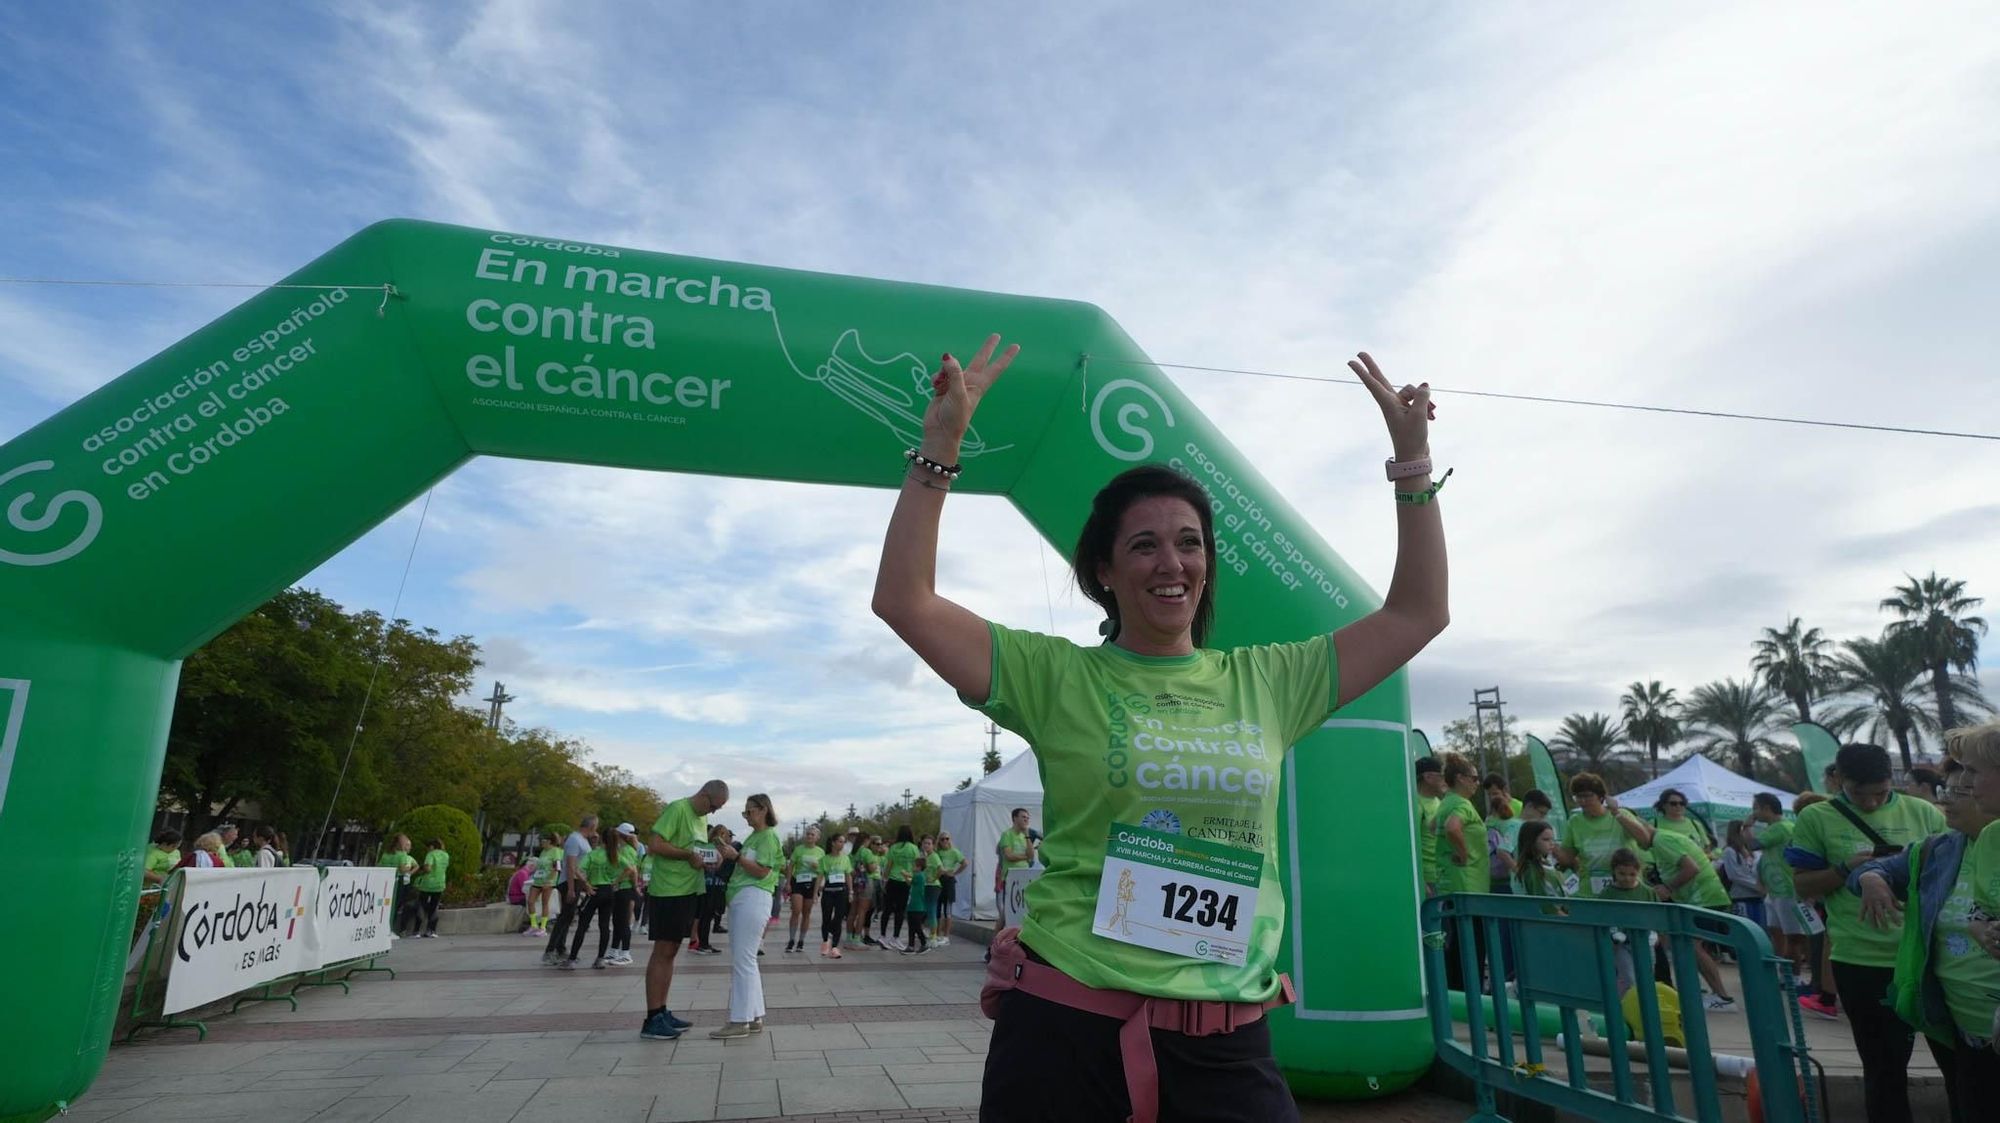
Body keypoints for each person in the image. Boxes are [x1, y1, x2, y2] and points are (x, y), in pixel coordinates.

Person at [871, 340, 1447, 1120]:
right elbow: (906, 601)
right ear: (1104, 569)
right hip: (1066, 1033)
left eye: (1189, 542)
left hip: (1226, 1044)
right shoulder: (1059, 677)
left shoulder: (1269, 680)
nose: (1170, 562)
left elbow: (1417, 613)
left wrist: (1411, 467)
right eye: (1143, 544)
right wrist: (939, 451)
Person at [1787, 742, 1948, 1123]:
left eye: (1881, 793)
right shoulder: (1816, 818)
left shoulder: (1924, 813)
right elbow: (1803, 886)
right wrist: (1847, 869)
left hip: (1930, 959)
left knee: (1959, 1067)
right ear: (1840, 780)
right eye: (1861, 794)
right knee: (1883, 1070)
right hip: (1862, 961)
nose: (1873, 803)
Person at [1851, 743, 2000, 1123]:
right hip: (1958, 1025)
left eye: (1962, 790)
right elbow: (1879, 870)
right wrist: (1871, 877)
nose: (1945, 801)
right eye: (1944, 790)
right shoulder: (1938, 849)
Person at [641, 780, 729, 1042]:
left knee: (671, 951)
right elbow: (655, 845)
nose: (713, 812)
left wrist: (710, 860)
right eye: (713, 806)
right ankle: (652, 1017)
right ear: (704, 795)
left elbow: (695, 851)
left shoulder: (700, 819)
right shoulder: (678, 809)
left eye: (718, 809)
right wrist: (688, 856)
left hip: (688, 890)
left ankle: (662, 1010)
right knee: (663, 951)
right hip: (669, 891)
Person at [1645, 817, 1738, 1011]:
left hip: (1704, 898)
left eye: (1679, 804)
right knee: (1683, 944)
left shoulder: (1661, 840)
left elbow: (1692, 868)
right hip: (1700, 899)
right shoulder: (1662, 839)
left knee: (1692, 945)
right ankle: (1701, 991)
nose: (1676, 808)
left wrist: (1667, 887)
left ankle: (1723, 997)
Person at [709, 793, 781, 1039]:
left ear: (763, 810)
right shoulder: (755, 837)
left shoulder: (768, 837)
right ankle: (754, 1016)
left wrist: (736, 857)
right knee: (747, 961)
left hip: (754, 896)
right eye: (745, 812)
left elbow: (762, 872)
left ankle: (739, 1020)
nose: (747, 816)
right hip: (744, 897)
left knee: (743, 961)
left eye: (749, 811)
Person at [1433, 753, 1488, 989]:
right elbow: (1451, 828)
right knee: (1472, 948)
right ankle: (1472, 999)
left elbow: (1432, 825)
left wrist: (1449, 851)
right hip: (1468, 885)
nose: (1478, 783)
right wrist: (1464, 854)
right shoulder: (1462, 804)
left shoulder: (1446, 801)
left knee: (1456, 946)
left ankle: (1456, 996)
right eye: (1474, 778)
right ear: (1461, 779)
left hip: (1451, 881)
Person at [1558, 773, 1655, 897]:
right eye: (1578, 797)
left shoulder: (1621, 814)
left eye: (1587, 796)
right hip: (1590, 892)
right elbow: (1567, 858)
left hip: (1626, 890)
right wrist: (1552, 848)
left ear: (1601, 797)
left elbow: (1645, 840)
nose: (1582, 801)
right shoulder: (1574, 821)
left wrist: (1617, 813)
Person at [1746, 793, 1809, 986]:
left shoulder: (1781, 827)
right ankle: (1783, 975)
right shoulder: (1776, 828)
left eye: (1756, 808)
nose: (1754, 813)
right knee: (1777, 934)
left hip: (1787, 890)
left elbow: (1752, 844)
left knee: (1793, 938)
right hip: (1775, 891)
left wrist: (1747, 826)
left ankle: (1794, 978)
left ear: (1766, 808)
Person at [1598, 849, 1657, 995]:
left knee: (1647, 977)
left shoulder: (1648, 892)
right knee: (1629, 979)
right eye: (1622, 874)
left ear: (1638, 872)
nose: (1627, 878)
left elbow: (1656, 914)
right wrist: (1610, 937)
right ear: (1614, 871)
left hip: (1644, 940)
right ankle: (1625, 1010)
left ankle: (1641, 1011)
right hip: (1621, 944)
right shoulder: (1607, 894)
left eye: (1632, 874)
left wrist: (1657, 934)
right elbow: (1602, 918)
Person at [542, 817, 600, 966]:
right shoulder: (575, 840)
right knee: (564, 918)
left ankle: (560, 948)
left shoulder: (582, 840)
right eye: (596, 826)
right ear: (591, 826)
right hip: (570, 882)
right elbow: (570, 866)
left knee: (568, 918)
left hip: (576, 881)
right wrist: (571, 889)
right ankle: (550, 950)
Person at [563, 830, 619, 970]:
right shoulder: (615, 856)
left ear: (601, 840)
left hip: (594, 890)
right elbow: (630, 869)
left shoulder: (593, 854)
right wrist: (616, 881)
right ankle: (600, 959)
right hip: (609, 892)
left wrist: (586, 884)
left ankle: (572, 959)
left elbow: (576, 869)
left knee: (582, 925)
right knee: (604, 925)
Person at [784, 826, 826, 954]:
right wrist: (788, 882)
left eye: (812, 835)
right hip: (798, 882)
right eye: (807, 834)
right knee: (796, 910)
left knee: (806, 913)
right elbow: (791, 866)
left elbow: (821, 872)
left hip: (812, 883)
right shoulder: (798, 849)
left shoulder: (820, 852)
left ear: (817, 837)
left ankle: (801, 941)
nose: (809, 836)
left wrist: (817, 889)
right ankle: (791, 940)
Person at [878, 826, 920, 950]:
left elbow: (889, 865)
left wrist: (885, 880)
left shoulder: (893, 847)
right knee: (900, 910)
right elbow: (916, 865)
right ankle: (895, 937)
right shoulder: (914, 848)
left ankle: (882, 936)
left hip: (892, 880)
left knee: (887, 909)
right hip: (905, 881)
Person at [994, 808, 1035, 932]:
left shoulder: (1025, 836)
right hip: (1011, 878)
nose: (1026, 820)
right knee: (1007, 911)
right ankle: (994, 942)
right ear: (1015, 818)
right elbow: (1009, 856)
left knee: (1023, 909)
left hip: (1025, 877)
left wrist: (1027, 835)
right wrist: (1025, 857)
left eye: (1027, 818)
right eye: (1023, 817)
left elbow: (1032, 856)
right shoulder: (1007, 834)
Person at [1722, 819, 1765, 929]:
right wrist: (1757, 886)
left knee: (1761, 929)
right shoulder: (1729, 851)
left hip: (1758, 897)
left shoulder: (1753, 851)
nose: (1750, 833)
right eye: (1746, 830)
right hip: (1742, 897)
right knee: (1746, 930)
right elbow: (1734, 875)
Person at [1414, 757, 1447, 896]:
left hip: (1442, 877)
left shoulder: (1438, 802)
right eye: (1442, 776)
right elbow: (1410, 845)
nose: (1444, 780)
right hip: (1428, 881)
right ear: (1427, 777)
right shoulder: (1416, 804)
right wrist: (1421, 881)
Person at [526, 825, 566, 938]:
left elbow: (557, 867)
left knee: (544, 903)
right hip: (537, 880)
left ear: (548, 841)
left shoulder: (555, 851)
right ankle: (533, 925)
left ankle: (543, 928)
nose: (540, 843)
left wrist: (549, 881)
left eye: (542, 841)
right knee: (530, 901)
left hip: (548, 882)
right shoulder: (543, 852)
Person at [819, 832, 853, 958]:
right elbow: (820, 876)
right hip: (828, 891)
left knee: (838, 919)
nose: (842, 844)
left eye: (843, 842)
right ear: (833, 843)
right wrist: (815, 893)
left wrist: (851, 892)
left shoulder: (845, 858)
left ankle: (835, 947)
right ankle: (825, 942)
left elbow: (848, 875)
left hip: (841, 892)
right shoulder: (825, 859)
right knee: (826, 918)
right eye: (840, 841)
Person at [1652, 788, 1716, 853]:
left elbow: (1706, 847)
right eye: (1673, 803)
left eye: (1682, 803)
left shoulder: (1695, 824)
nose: (1678, 806)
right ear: (1664, 805)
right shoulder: (1653, 823)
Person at [934, 831, 966, 946]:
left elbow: (965, 862)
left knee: (947, 910)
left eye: (947, 839)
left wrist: (955, 873)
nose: (945, 841)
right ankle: (936, 935)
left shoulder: (954, 851)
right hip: (938, 881)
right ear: (939, 841)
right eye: (942, 839)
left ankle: (946, 937)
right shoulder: (937, 852)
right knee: (937, 909)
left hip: (949, 881)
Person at [413, 838, 448, 938]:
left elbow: (428, 868)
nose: (427, 850)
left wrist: (421, 872)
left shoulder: (431, 854)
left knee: (422, 906)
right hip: (440, 884)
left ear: (432, 846)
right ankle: (431, 930)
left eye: (428, 848)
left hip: (427, 884)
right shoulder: (446, 855)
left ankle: (416, 931)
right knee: (434, 907)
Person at [849, 830, 878, 946]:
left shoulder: (852, 853)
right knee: (862, 911)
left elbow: (850, 870)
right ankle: (857, 937)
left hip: (855, 882)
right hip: (865, 882)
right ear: (866, 840)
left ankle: (848, 935)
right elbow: (871, 868)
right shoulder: (866, 852)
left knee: (853, 911)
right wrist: (875, 865)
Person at [905, 843, 934, 955]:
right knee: (911, 927)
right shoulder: (918, 876)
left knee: (916, 926)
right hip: (912, 905)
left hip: (917, 906)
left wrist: (904, 874)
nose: (913, 867)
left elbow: (910, 881)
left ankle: (923, 943)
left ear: (919, 867)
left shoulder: (919, 876)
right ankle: (911, 946)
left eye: (914, 865)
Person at [141, 829, 181, 894]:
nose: (175, 849)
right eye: (173, 846)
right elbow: (145, 872)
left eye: (177, 846)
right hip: (151, 889)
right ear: (164, 844)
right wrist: (162, 880)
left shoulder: (176, 852)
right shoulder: (153, 853)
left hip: (167, 887)